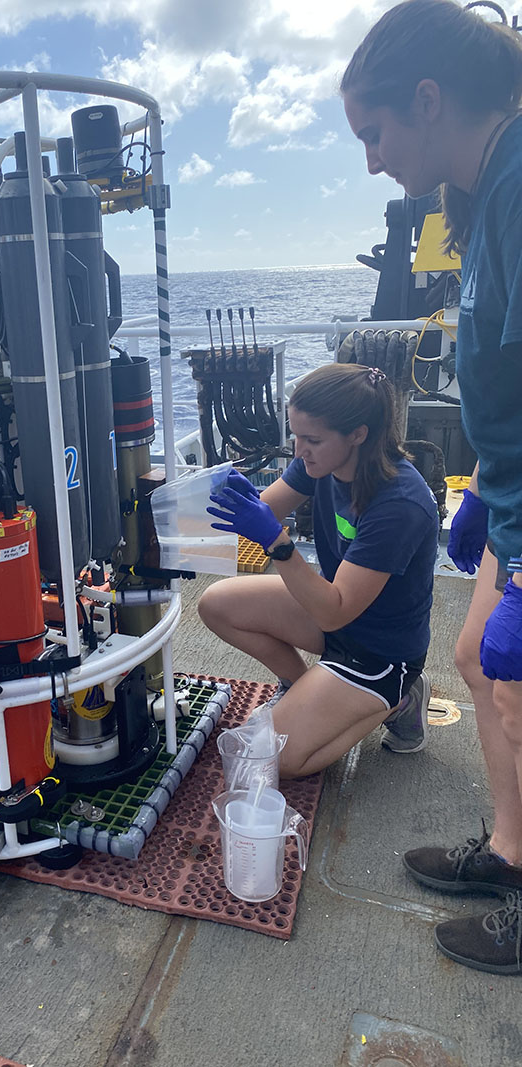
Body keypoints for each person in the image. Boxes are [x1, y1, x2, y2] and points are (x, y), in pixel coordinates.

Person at [342, 0, 522, 975]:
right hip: (511, 490)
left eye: (373, 132)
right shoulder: (485, 187)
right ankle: (506, 854)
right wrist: (491, 495)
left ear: (425, 99)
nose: (370, 157)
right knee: (475, 658)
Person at [200, 362, 439, 780]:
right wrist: (234, 499)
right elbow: (268, 507)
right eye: (295, 435)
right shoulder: (320, 463)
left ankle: (399, 700)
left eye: (311, 439)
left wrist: (277, 543)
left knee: (277, 761)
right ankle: (303, 687)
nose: (298, 450)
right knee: (215, 604)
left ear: (358, 435)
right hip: (336, 620)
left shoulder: (401, 502)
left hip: (378, 654)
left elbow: (334, 610)